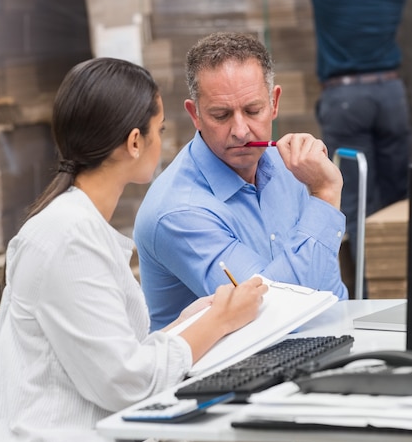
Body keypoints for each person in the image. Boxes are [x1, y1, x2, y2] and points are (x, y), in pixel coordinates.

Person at [0, 56, 328, 442]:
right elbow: (127, 382)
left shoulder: (73, 227)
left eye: (253, 110)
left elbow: (113, 355)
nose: (240, 130)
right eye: (161, 130)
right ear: (135, 142)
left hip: (107, 437)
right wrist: (218, 321)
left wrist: (192, 318)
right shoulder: (68, 238)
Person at [189, 0, 412, 271]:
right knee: (399, 203)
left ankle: (367, 292)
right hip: (393, 96)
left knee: (356, 205)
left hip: (347, 100)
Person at [135, 31, 348, 333]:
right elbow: (271, 311)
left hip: (311, 344)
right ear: (194, 115)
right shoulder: (177, 211)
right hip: (224, 371)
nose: (240, 131)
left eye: (252, 111)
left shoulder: (290, 166)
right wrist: (324, 196)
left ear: (274, 103)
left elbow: (329, 291)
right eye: (221, 115)